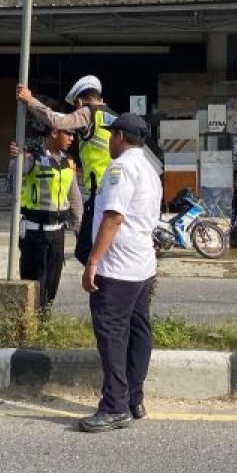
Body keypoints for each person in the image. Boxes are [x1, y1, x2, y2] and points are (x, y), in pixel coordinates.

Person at [77, 113, 162, 434]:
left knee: (112, 335)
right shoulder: (150, 169)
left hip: (117, 267)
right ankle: (133, 399)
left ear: (122, 137)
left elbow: (113, 217)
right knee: (139, 332)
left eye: (112, 135)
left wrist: (93, 262)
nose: (109, 140)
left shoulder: (121, 168)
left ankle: (115, 406)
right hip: (142, 266)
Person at [16, 75, 117, 264]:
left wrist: (30, 100)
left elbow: (57, 121)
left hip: (100, 192)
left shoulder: (88, 112)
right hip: (115, 186)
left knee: (85, 250)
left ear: (79, 102)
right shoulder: (112, 116)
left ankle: (99, 276)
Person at [9, 126, 84, 311]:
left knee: (52, 282)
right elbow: (12, 183)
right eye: (68, 133)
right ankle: (30, 322)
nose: (72, 138)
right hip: (34, 232)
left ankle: (44, 320)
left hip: (57, 232)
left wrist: (79, 227)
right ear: (54, 133)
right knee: (34, 283)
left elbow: (74, 197)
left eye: (73, 134)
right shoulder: (32, 158)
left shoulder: (68, 162)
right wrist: (16, 160)